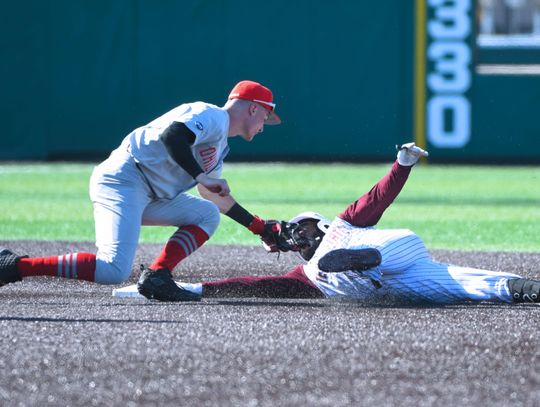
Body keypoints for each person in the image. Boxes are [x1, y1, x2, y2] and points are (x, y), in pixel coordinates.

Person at [116, 142, 540, 305]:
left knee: (381, 248)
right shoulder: (307, 274)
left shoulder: (342, 223)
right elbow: (251, 286)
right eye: (295, 234)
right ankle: (522, 289)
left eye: (302, 227)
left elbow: (378, 196)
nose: (298, 235)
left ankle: (365, 257)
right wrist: (186, 289)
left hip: (392, 251)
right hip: (401, 283)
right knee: (469, 284)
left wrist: (402, 163)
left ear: (317, 225)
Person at [0, 80, 289, 301]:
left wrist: (259, 227)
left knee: (207, 214)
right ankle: (14, 266)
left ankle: (157, 276)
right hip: (123, 180)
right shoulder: (210, 115)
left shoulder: (220, 145)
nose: (265, 125)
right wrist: (201, 174)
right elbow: (172, 136)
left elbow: (213, 195)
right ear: (253, 107)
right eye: (266, 117)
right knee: (112, 269)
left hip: (150, 194)